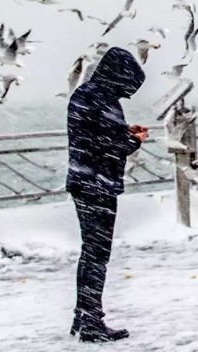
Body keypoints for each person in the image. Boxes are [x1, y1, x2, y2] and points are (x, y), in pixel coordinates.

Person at [66, 47, 148, 343]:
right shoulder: (103, 98)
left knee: (90, 252)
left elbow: (92, 135)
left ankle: (82, 315)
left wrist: (124, 131)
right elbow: (106, 146)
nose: (127, 94)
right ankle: (91, 323)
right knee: (97, 255)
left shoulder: (85, 93)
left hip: (82, 182)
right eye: (127, 86)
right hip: (98, 186)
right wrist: (133, 141)